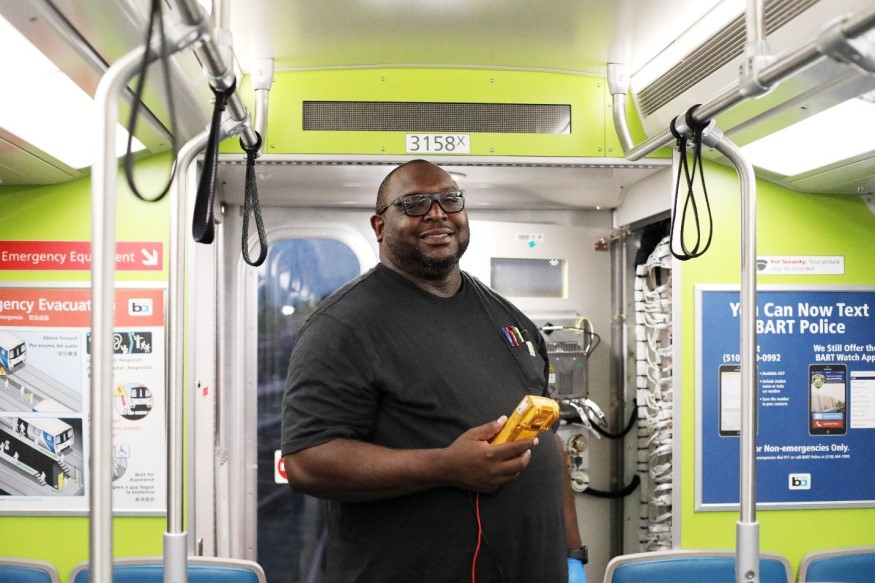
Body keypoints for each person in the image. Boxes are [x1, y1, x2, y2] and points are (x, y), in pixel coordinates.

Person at [281, 159, 586, 583]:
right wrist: (446, 465)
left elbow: (546, 440)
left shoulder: (509, 319)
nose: (437, 213)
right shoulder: (344, 327)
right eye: (415, 203)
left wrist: (573, 554)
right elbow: (307, 462)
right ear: (380, 225)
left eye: (450, 199)